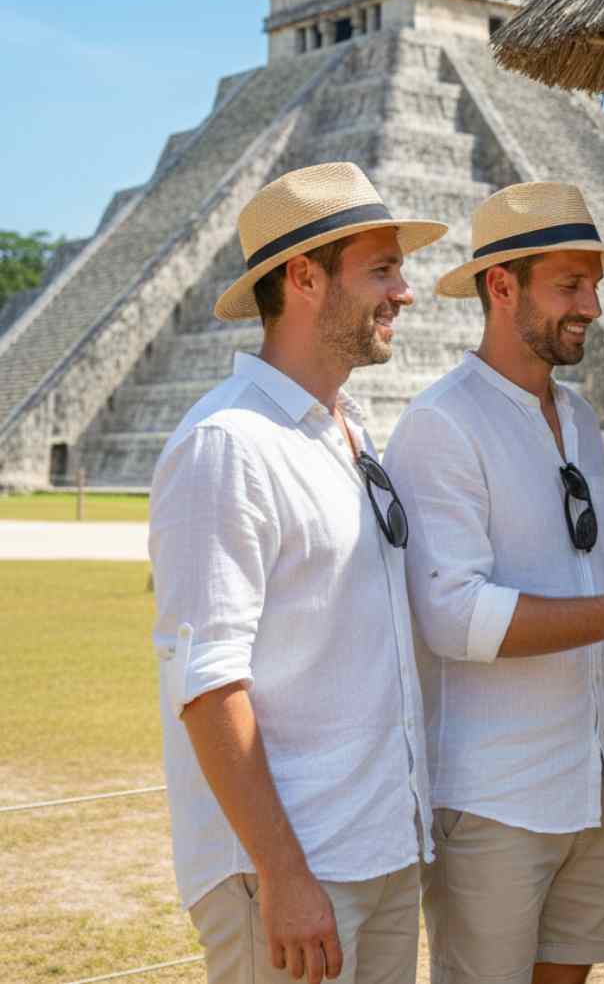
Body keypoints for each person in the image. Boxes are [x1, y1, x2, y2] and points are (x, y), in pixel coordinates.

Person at [383, 181, 604, 984]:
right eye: (570, 286)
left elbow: (577, 573)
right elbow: (453, 617)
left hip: (590, 780)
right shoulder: (442, 423)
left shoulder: (576, 417)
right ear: (501, 287)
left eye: (595, 286)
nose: (594, 308)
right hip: (495, 794)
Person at [150, 162, 448, 984]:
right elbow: (207, 683)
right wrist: (283, 875)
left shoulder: (348, 431)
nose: (406, 292)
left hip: (378, 845)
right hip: (291, 865)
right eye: (382, 269)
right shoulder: (229, 444)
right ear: (305, 276)